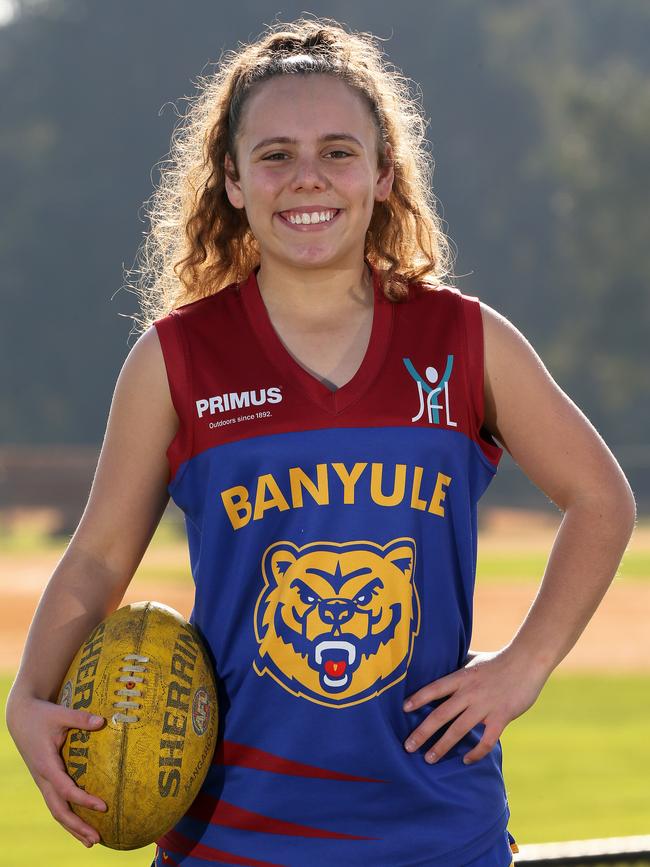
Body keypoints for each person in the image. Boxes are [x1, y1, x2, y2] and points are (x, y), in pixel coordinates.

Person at [5, 16, 636, 867]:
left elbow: (602, 500)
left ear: (383, 173)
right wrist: (27, 698)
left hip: (438, 836)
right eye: (275, 155)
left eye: (339, 151)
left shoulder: (464, 340)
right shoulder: (175, 359)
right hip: (232, 841)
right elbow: (95, 559)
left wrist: (524, 666)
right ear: (231, 178)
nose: (308, 178)